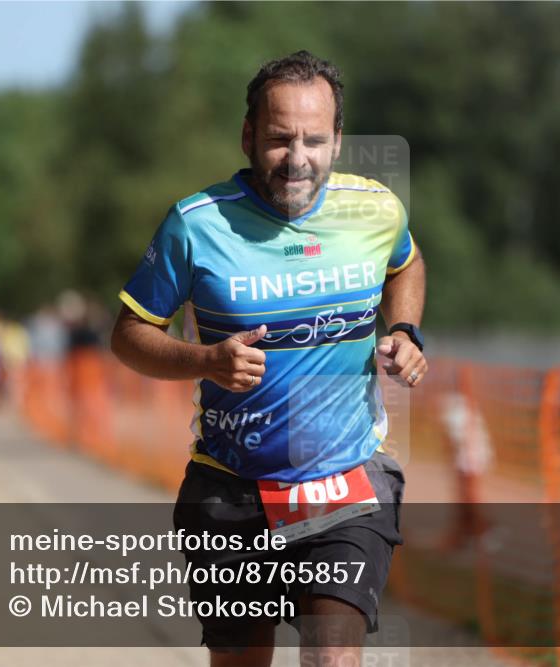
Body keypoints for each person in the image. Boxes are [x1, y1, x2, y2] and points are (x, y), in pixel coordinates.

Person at [111, 50, 427, 667]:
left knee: (332, 659)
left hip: (344, 479)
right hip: (230, 488)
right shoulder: (195, 225)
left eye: (314, 140)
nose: (297, 159)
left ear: (337, 141)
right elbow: (128, 334)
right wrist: (204, 360)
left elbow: (406, 262)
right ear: (249, 135)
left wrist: (408, 329)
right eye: (281, 140)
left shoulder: (375, 210)